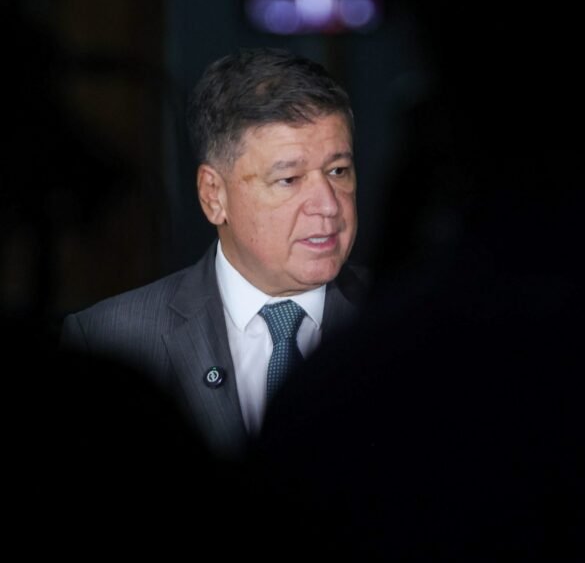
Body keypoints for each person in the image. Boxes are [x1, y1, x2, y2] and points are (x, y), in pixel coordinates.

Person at [60, 48, 367, 458]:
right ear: (213, 195)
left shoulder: (409, 322)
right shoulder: (110, 339)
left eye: (338, 171)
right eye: (289, 179)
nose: (328, 205)